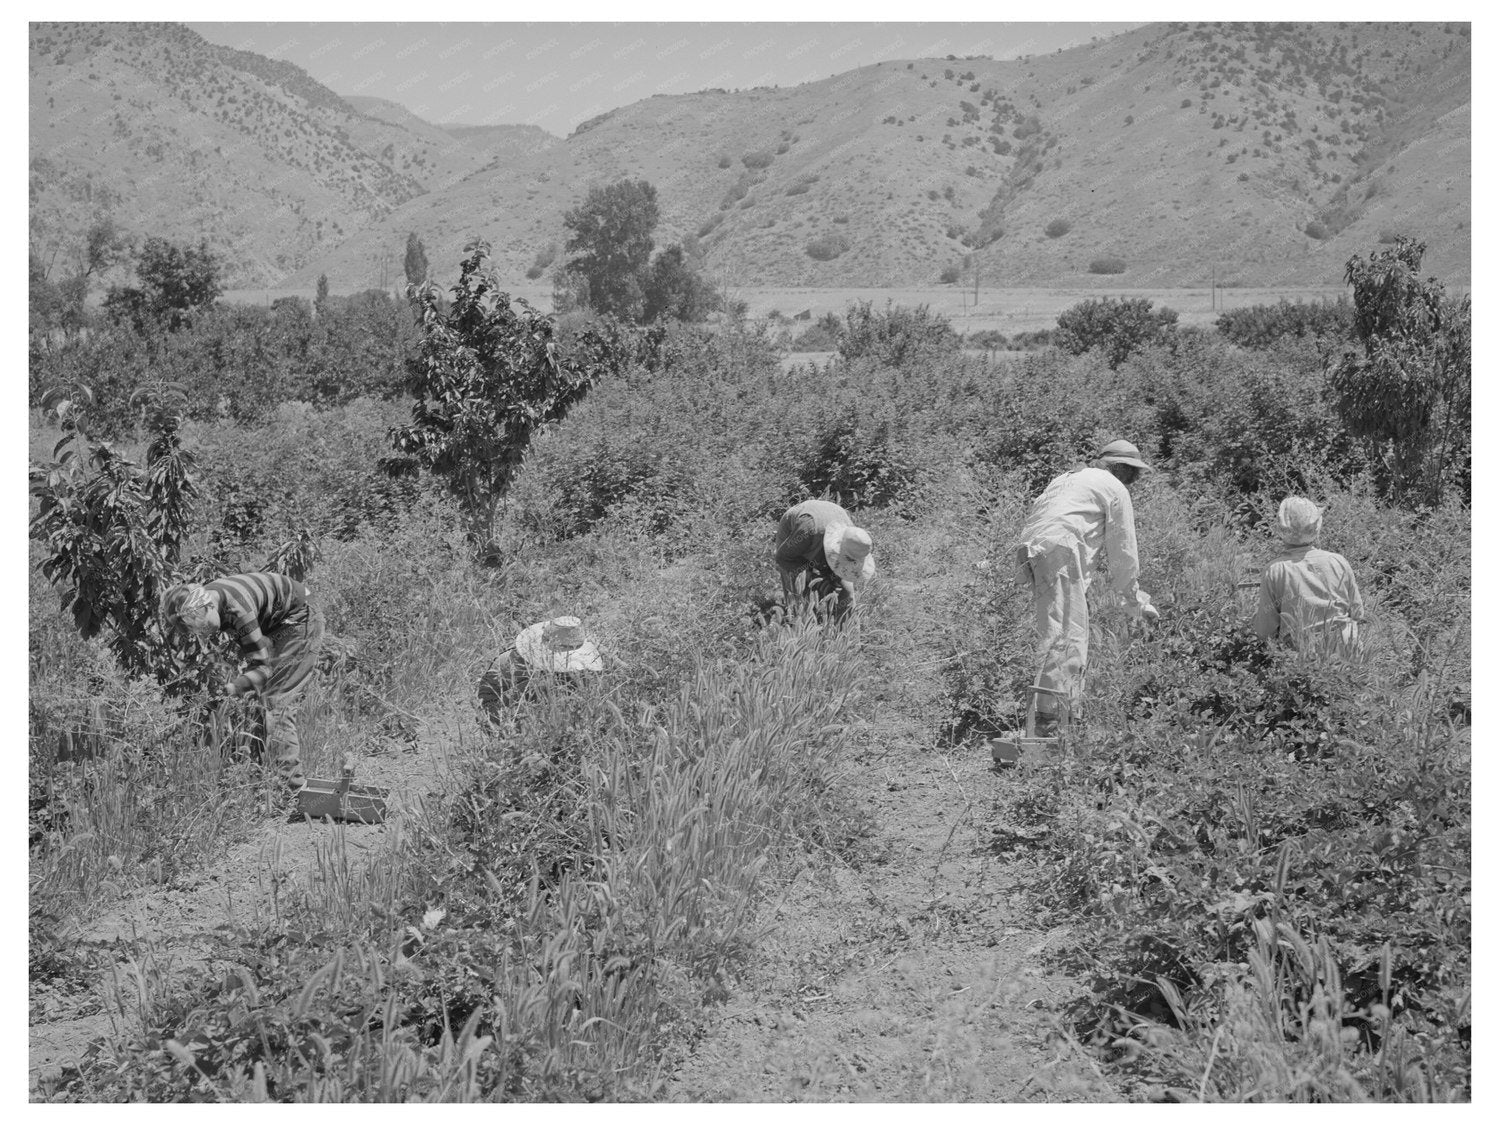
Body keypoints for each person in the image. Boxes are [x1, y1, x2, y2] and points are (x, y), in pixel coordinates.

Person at [1013, 439, 1159, 736]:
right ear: (1119, 466)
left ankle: (1048, 715)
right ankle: (1054, 721)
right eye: (1134, 471)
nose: (1136, 478)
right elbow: (1124, 551)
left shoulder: (1068, 477)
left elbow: (1040, 515)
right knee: (1070, 634)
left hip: (1033, 550)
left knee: (1054, 630)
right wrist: (1136, 600)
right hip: (1061, 550)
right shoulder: (1113, 486)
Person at [160, 572, 323, 791]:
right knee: (259, 699)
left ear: (208, 606)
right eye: (197, 631)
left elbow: (263, 669)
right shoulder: (209, 599)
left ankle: (291, 789)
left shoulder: (237, 609)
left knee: (276, 703)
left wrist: (231, 689)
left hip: (300, 617)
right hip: (278, 624)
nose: (203, 633)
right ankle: (265, 777)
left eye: (203, 626)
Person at [1253, 496, 1364, 656]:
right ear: (1316, 528)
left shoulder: (1274, 570)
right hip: (1346, 649)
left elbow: (1265, 631)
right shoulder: (1338, 561)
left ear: (1281, 529)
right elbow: (1358, 612)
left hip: (1303, 655)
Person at [477, 615, 603, 727]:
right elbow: (486, 701)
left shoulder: (559, 666)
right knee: (544, 685)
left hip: (524, 704)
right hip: (497, 710)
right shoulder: (517, 662)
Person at [771, 498, 875, 621]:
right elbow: (783, 558)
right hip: (797, 530)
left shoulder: (853, 539)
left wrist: (832, 579)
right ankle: (799, 623)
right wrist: (814, 579)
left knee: (846, 593)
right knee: (798, 592)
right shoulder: (808, 529)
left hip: (824, 528)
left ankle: (846, 631)